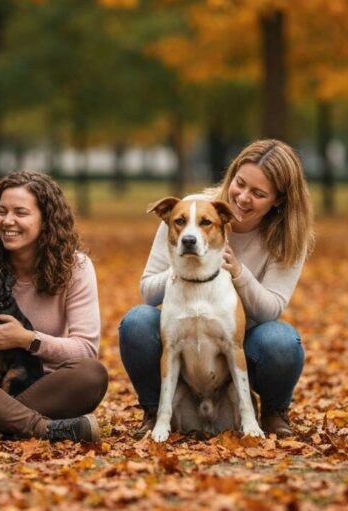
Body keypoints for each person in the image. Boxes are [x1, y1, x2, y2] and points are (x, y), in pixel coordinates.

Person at [119, 139, 315, 438]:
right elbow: (149, 290)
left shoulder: (287, 237)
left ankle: (274, 412)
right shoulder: (190, 209)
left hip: (248, 333)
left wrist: (237, 271)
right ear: (232, 173)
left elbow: (270, 309)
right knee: (136, 321)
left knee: (282, 341)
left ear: (277, 200)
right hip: (184, 315)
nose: (244, 198)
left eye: (259, 193)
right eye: (240, 183)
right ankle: (154, 412)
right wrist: (182, 264)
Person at [0, 170, 108, 444]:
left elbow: (85, 349)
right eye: (2, 211)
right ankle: (44, 429)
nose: (7, 221)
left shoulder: (76, 268)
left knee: (92, 375)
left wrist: (28, 340)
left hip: (44, 388)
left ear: (46, 220)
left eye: (20, 213)